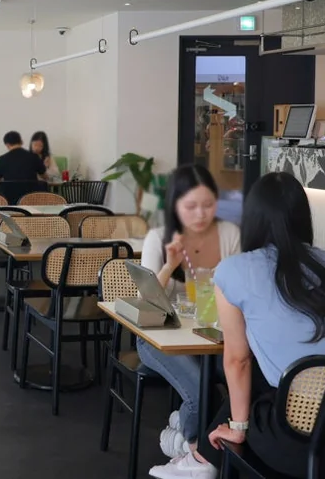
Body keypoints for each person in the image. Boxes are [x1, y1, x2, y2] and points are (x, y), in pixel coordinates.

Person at [151, 172, 325, 479]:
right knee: (259, 371)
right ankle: (201, 456)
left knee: (248, 370)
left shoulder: (235, 268)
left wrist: (238, 427)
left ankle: (204, 458)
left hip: (298, 440)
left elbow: (237, 359)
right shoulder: (321, 261)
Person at [139, 165, 240, 465]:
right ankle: (195, 453)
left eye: (208, 205)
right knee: (201, 391)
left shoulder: (228, 235)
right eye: (191, 206)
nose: (201, 214)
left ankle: (183, 430)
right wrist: (170, 266)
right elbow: (146, 302)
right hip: (159, 338)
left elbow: (239, 291)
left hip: (213, 337)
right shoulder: (157, 239)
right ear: (174, 206)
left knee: (246, 380)